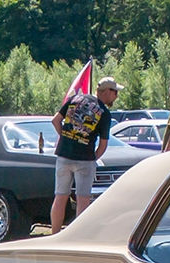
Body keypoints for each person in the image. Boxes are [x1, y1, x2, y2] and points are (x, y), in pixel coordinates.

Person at [50, 76, 119, 234]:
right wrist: (92, 158)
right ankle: (79, 236)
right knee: (83, 199)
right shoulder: (104, 113)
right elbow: (103, 144)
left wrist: (66, 137)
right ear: (107, 92)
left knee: (60, 197)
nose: (116, 96)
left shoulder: (76, 98)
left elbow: (55, 120)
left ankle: (54, 235)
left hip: (63, 155)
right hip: (85, 159)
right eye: (115, 92)